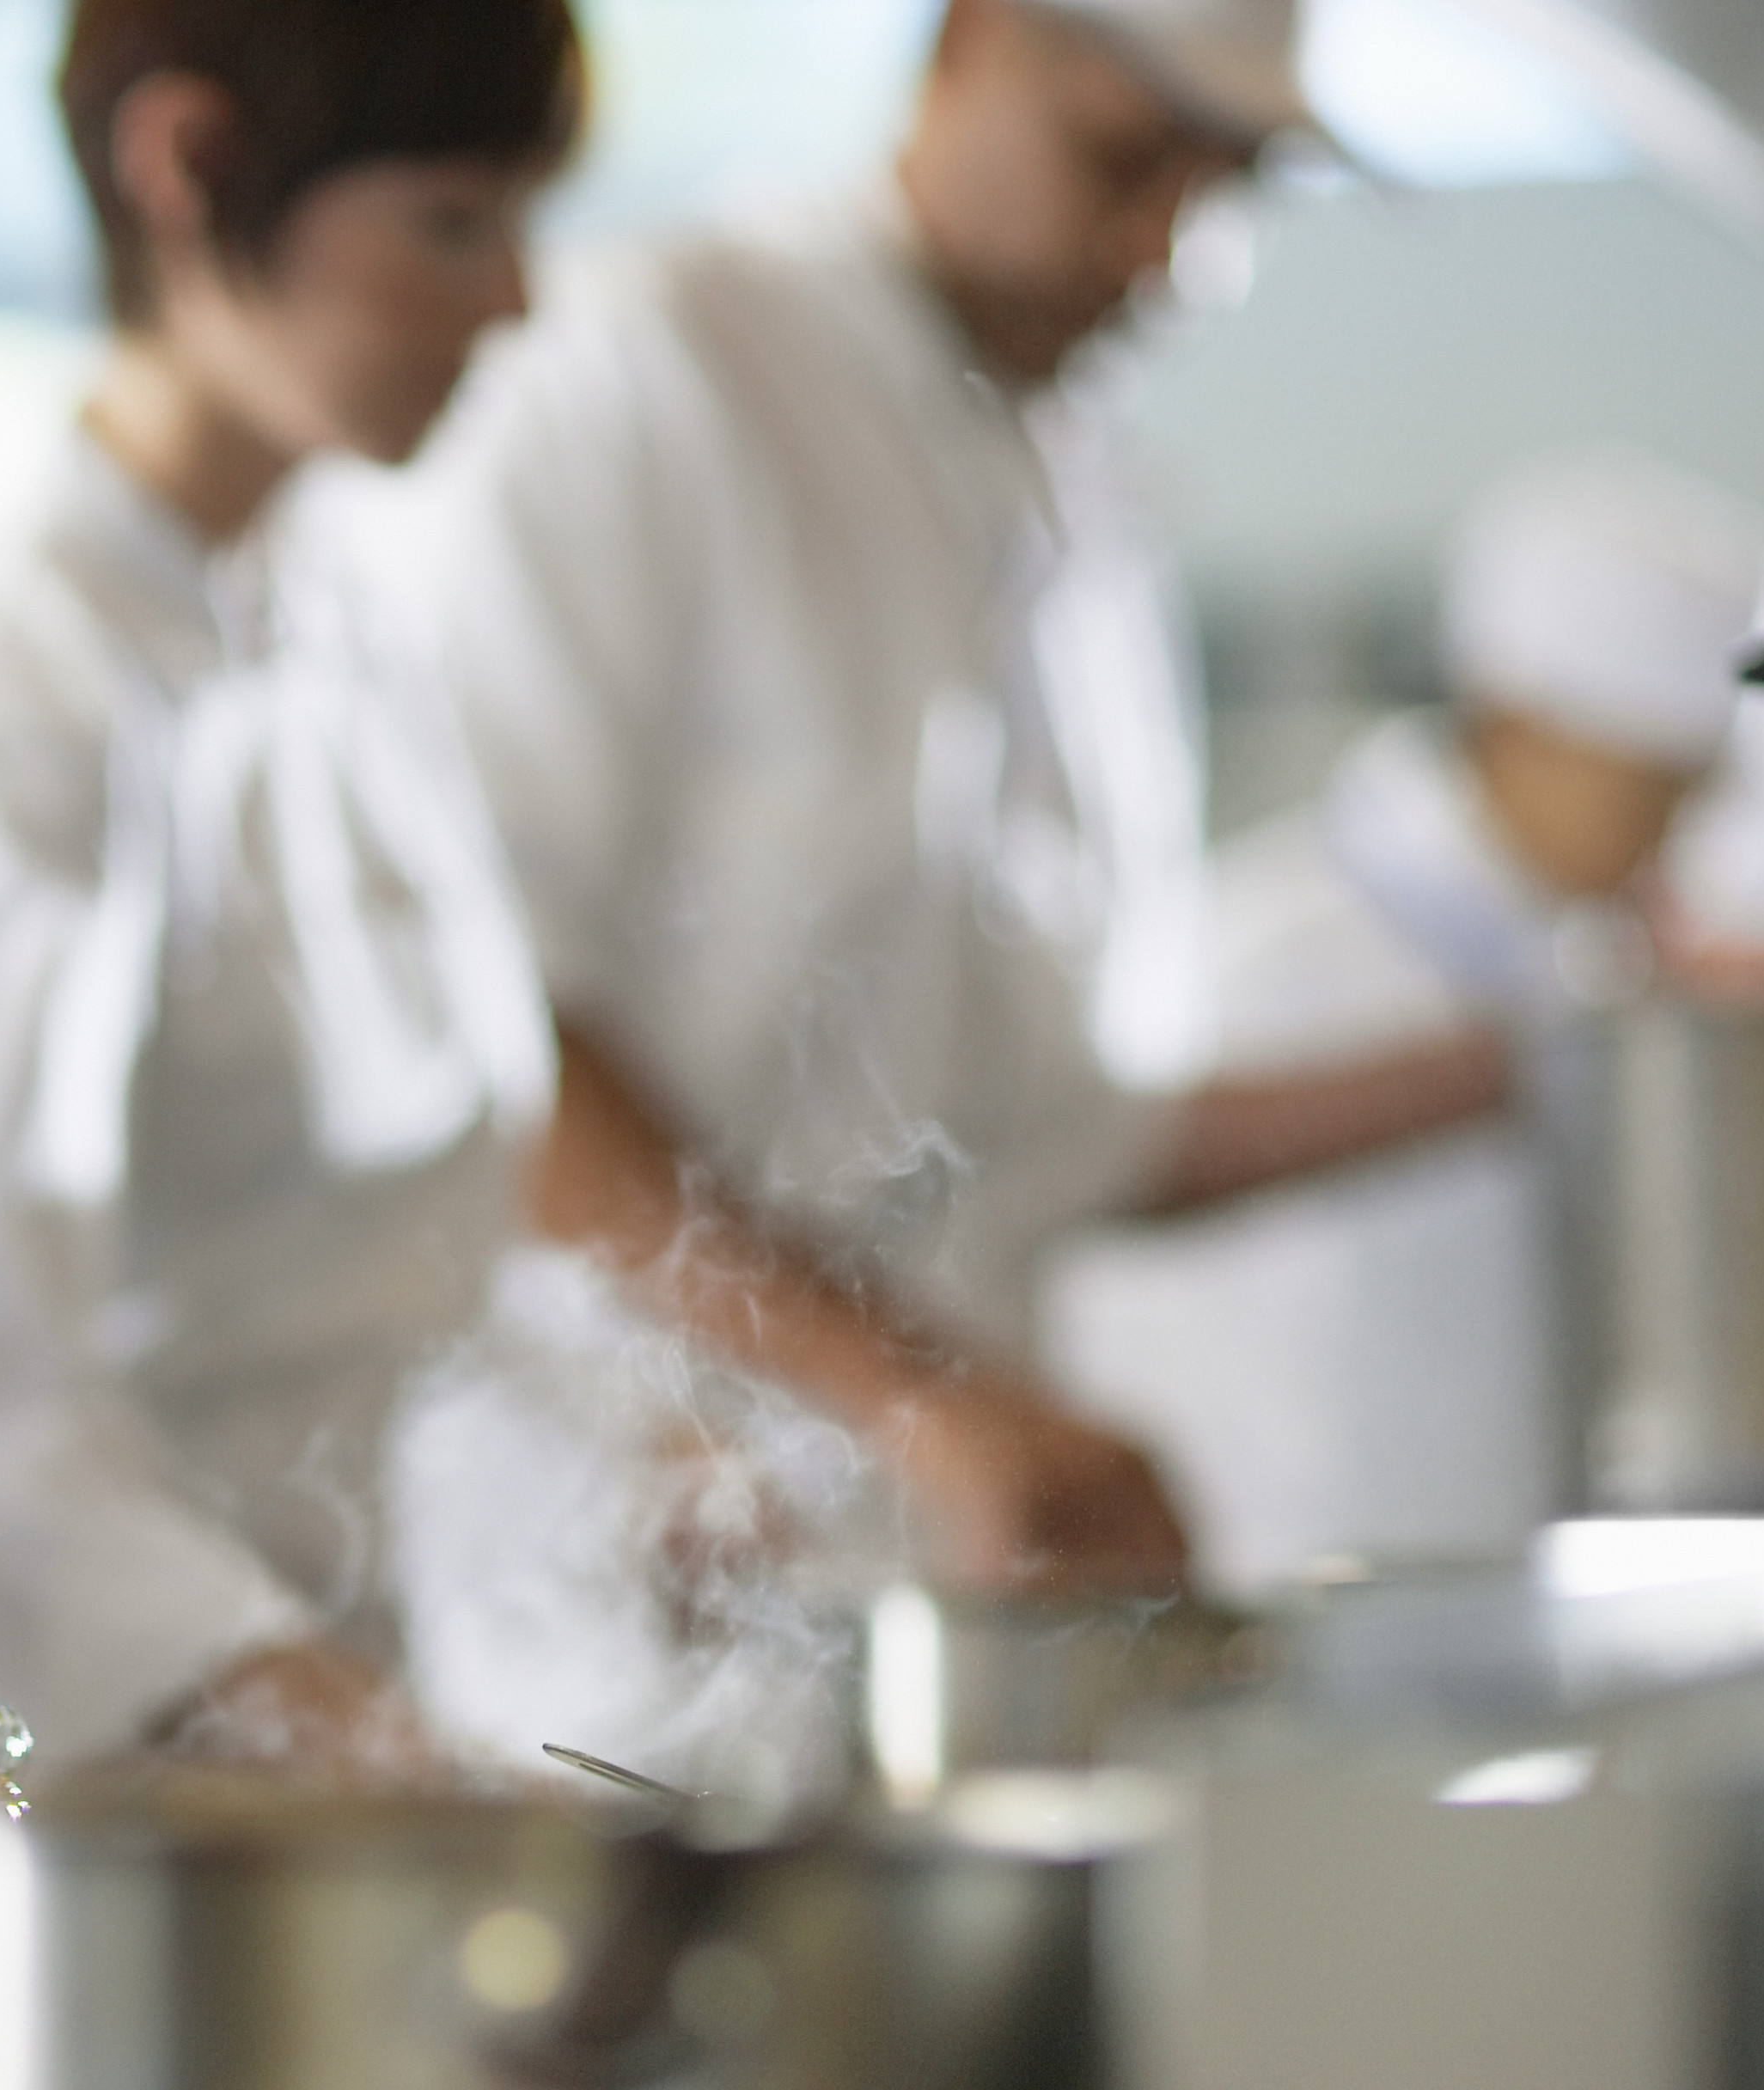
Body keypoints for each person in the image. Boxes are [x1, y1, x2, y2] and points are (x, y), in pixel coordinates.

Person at [394, 0, 1517, 1601]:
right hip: (625, 1547)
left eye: (1218, 193)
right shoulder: (640, 374)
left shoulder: (1069, 497)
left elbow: (1056, 1135)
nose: (1160, 255)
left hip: (946, 1563)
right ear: (966, 43)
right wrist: (919, 1397)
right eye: (1121, 163)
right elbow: (479, 1030)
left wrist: (1553, 1056)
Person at [0, 0, 578, 1763]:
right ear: (181, 168)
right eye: (452, 222)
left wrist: (664, 1460)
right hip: (120, 1788)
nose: (515, 299)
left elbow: (411, 1259)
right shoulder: (4, 705)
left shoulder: (346, 623)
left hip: (359, 1708)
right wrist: (294, 1698)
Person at [1050, 451, 1764, 1581]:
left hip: (1505, 1594)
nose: (1677, 833)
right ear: (1517, 724)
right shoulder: (1248, 962)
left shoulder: (1584, 953)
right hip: (1282, 1592)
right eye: (1652, 785)